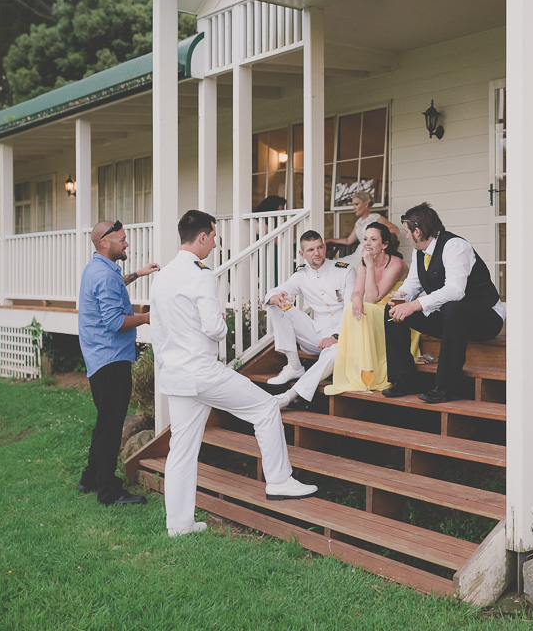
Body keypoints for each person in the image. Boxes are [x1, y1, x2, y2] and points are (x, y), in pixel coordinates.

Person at [150, 210, 316, 538]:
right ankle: (280, 481)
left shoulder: (163, 276)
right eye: (213, 236)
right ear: (201, 237)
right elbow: (213, 327)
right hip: (202, 371)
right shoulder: (200, 275)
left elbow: (157, 328)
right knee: (266, 408)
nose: (215, 243)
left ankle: (179, 524)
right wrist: (222, 325)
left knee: (181, 448)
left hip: (175, 374)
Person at [383, 202, 505, 404]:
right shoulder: (419, 251)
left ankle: (448, 387)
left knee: (452, 307)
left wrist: (414, 305)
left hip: (485, 318)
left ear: (418, 231)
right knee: (391, 310)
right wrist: (399, 299)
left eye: (407, 231)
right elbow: (413, 285)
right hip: (450, 320)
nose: (406, 236)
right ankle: (403, 380)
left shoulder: (455, 246)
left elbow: (455, 290)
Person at [77, 219, 160, 506]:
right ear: (105, 243)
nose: (127, 243)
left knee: (104, 423)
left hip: (99, 358)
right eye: (122, 239)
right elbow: (114, 321)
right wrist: (149, 317)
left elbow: (115, 285)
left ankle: (89, 478)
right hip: (112, 361)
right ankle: (108, 491)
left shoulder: (98, 269)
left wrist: (138, 273)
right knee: (111, 427)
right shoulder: (104, 276)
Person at [264, 231, 356, 409]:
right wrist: (274, 297)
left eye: (320, 247)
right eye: (311, 249)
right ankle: (294, 365)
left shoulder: (344, 270)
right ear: (302, 254)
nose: (317, 253)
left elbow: (351, 309)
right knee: (276, 303)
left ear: (325, 247)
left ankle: (290, 395)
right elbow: (274, 291)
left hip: (343, 335)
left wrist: (337, 336)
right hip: (315, 335)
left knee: (336, 351)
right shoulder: (301, 275)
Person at [325, 222, 420, 395]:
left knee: (367, 309)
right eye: (365, 239)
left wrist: (369, 267)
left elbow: (374, 297)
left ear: (384, 245)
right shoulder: (364, 263)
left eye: (373, 239)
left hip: (395, 311)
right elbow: (357, 293)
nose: (367, 243)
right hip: (375, 310)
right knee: (351, 309)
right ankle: (358, 371)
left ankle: (371, 371)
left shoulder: (396, 264)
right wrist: (356, 301)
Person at [324, 191, 399, 265]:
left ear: (366, 204)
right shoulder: (359, 222)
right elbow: (348, 240)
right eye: (353, 205)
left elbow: (395, 229)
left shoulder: (376, 217)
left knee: (344, 267)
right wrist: (330, 240)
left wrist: (376, 234)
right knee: (335, 264)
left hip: (370, 254)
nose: (354, 208)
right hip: (357, 254)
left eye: (356, 204)